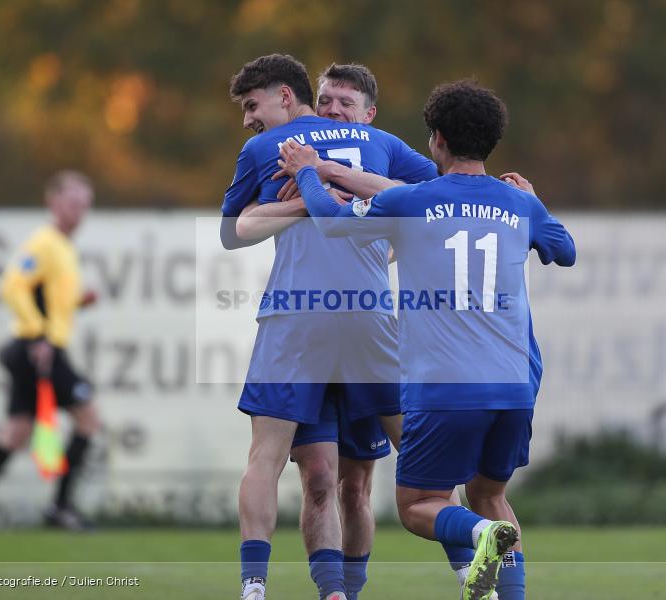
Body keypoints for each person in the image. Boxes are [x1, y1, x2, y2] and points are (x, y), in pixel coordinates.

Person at [279, 80, 576, 600]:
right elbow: (564, 250)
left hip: (445, 387)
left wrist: (307, 170)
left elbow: (330, 221)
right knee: (489, 495)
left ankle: (483, 536)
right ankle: (501, 565)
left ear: (436, 140)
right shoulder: (518, 204)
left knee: (420, 505)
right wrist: (534, 200)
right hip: (513, 386)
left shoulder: (414, 200)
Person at [221, 54, 438, 600]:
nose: (333, 110)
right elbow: (236, 227)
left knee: (358, 481)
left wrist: (331, 181)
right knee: (317, 474)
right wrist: (307, 202)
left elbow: (431, 200)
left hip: (354, 322)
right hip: (308, 318)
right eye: (328, 100)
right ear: (310, 99)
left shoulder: (378, 147)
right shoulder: (276, 150)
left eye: (253, 106)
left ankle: (464, 557)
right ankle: (300, 591)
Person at [0, 170, 101, 531]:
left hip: (39, 347)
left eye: (84, 204)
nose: (78, 210)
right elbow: (13, 287)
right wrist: (37, 337)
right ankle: (60, 508)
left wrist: (78, 302)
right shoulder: (44, 242)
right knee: (88, 417)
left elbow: (46, 298)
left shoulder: (62, 246)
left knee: (16, 431)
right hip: (40, 350)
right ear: (52, 202)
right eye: (72, 202)